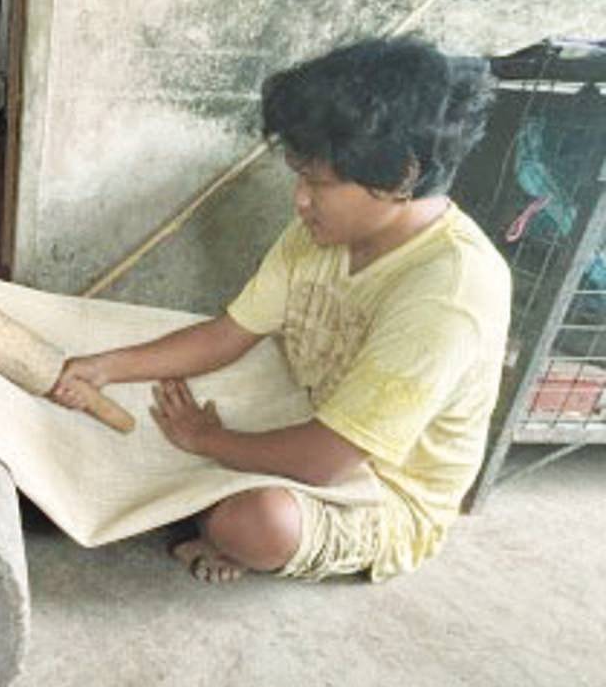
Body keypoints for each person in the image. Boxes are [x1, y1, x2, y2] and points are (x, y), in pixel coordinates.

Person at [53, 36, 509, 584]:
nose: (300, 199)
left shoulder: (450, 292)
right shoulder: (319, 234)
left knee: (257, 523)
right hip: (308, 413)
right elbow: (229, 333)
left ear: (401, 177)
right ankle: (207, 501)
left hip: (381, 492)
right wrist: (104, 367)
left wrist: (206, 441)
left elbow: (328, 462)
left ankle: (220, 523)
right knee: (162, 392)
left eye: (317, 181)